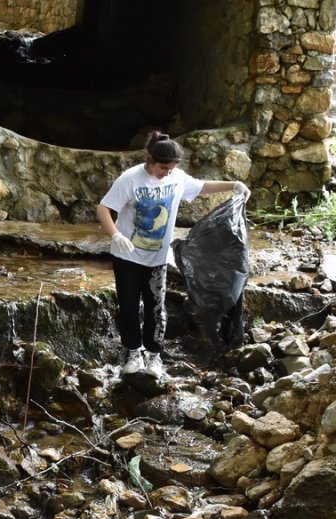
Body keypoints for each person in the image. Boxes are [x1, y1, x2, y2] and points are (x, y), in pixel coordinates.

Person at [97, 131, 249, 379]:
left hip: (157, 259)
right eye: (162, 168)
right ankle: (134, 352)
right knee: (128, 305)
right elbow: (104, 208)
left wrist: (233, 185)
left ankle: (154, 356)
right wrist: (115, 234)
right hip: (126, 256)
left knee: (156, 307)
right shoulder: (131, 179)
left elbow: (201, 187)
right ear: (150, 159)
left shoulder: (176, 178)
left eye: (170, 168)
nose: (166, 173)